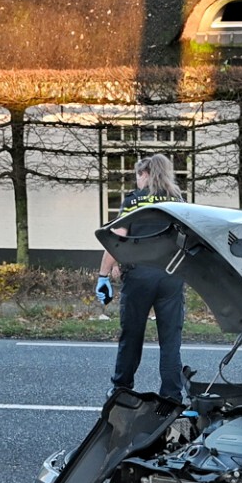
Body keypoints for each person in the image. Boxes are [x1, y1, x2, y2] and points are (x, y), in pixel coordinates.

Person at [96, 154, 188, 403]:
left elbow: (117, 239)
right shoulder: (178, 200)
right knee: (170, 340)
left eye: (138, 175)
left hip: (139, 277)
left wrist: (104, 274)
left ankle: (121, 389)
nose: (137, 180)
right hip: (171, 275)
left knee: (132, 335)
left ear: (145, 175)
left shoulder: (134, 201)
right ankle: (171, 396)